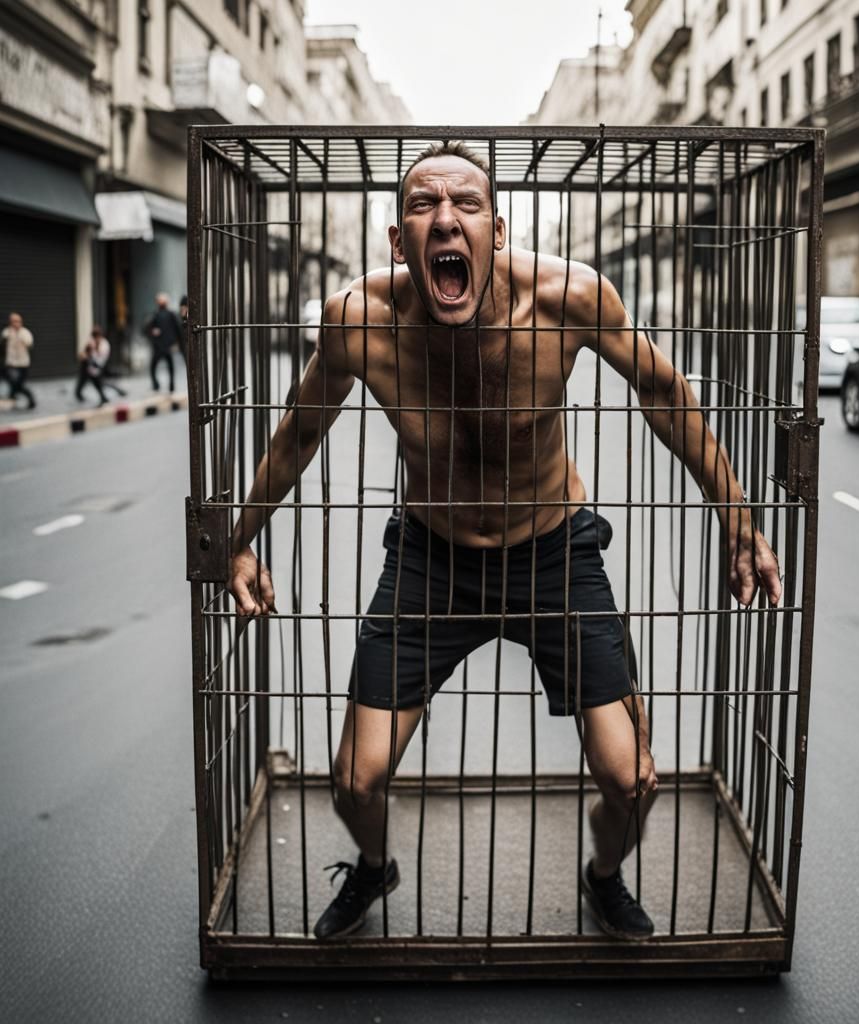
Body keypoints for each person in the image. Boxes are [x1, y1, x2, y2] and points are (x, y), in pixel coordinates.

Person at [227, 142, 782, 943]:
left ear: (498, 230)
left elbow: (664, 394)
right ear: (397, 241)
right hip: (432, 554)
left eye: (467, 205)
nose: (446, 219)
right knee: (355, 779)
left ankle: (604, 875)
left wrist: (740, 520)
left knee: (632, 780)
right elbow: (298, 434)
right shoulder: (359, 322)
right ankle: (375, 867)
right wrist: (238, 543)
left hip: (552, 550)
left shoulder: (569, 299)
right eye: (423, 206)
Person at [76, 326, 126, 405]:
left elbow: (100, 358)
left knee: (100, 382)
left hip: (99, 366)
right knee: (88, 380)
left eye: (96, 337)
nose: (95, 339)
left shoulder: (104, 344)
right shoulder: (91, 342)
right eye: (94, 337)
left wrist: (95, 349)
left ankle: (111, 394)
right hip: (89, 366)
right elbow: (84, 354)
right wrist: (87, 353)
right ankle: (80, 394)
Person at [144, 293, 182, 392]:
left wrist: (177, 342)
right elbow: (147, 328)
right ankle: (161, 384)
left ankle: (167, 385)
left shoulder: (166, 314)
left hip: (164, 345)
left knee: (163, 366)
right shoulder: (157, 315)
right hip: (161, 345)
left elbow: (177, 329)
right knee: (162, 366)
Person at [2, 312, 36, 410]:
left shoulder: (25, 332)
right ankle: (12, 399)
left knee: (19, 384)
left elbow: (29, 343)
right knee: (13, 383)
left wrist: (19, 334)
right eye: (13, 321)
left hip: (23, 364)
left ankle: (30, 399)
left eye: (17, 321)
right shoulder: (6, 332)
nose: (15, 323)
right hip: (11, 363)